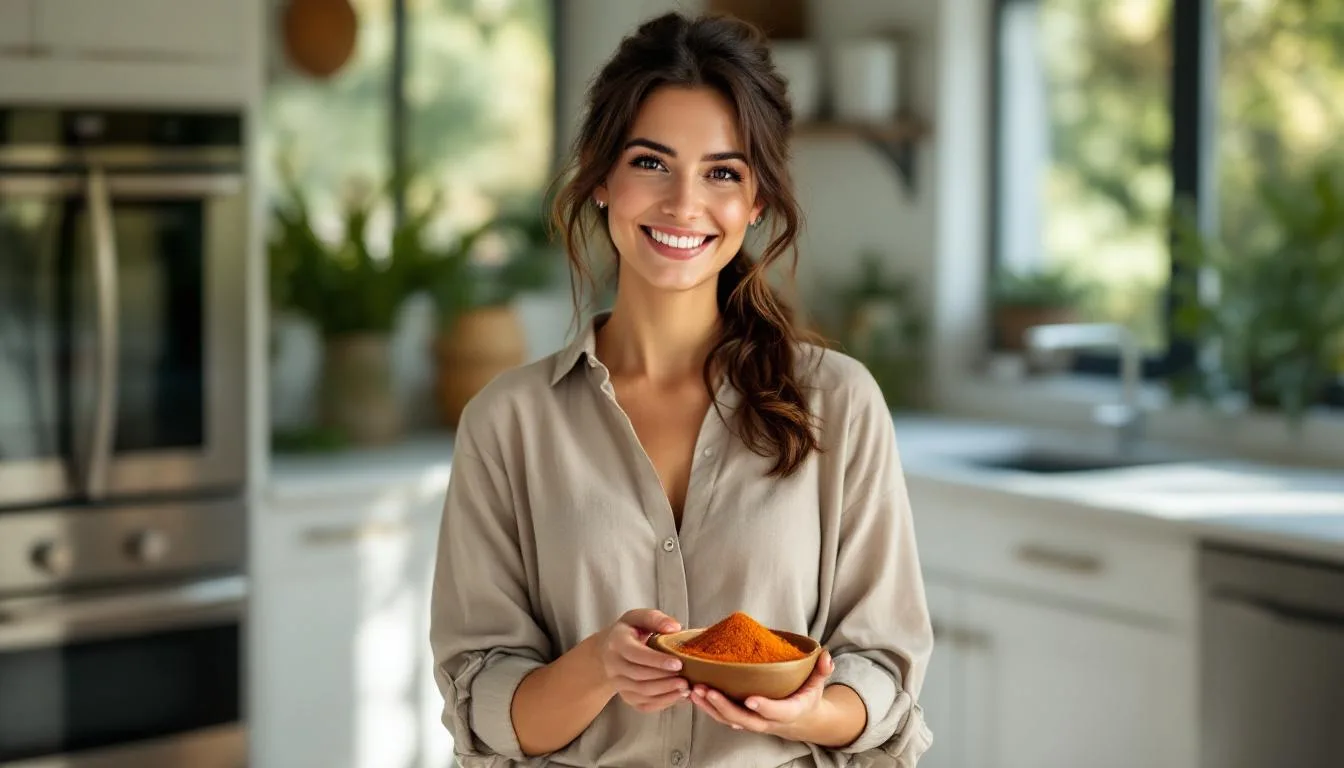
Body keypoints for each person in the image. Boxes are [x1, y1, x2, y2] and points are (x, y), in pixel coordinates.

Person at [430, 11, 933, 768]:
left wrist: (810, 710)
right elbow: (485, 711)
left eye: (722, 172)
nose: (683, 204)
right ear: (602, 177)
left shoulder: (839, 405)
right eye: (651, 162)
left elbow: (882, 673)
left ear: (757, 201)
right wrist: (599, 665)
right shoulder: (508, 422)